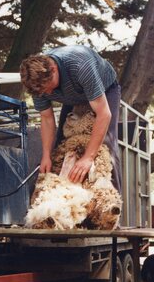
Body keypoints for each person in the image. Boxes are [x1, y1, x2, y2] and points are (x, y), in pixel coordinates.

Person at [20, 45, 121, 193]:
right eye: (43, 92)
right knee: (61, 145)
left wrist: (88, 157)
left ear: (53, 68)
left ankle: (110, 203)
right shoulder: (37, 84)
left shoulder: (81, 66)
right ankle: (64, 198)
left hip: (105, 90)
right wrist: (46, 156)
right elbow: (47, 119)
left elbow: (104, 114)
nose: (48, 93)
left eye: (49, 87)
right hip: (71, 97)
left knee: (105, 148)